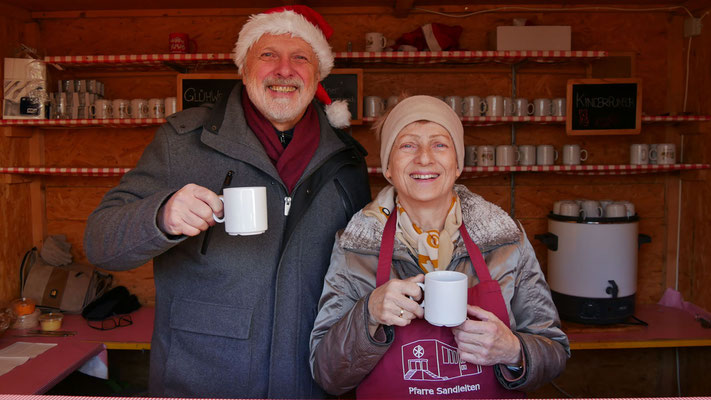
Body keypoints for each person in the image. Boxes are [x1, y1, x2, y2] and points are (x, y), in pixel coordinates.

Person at [83, 6, 370, 398]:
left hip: (309, 381)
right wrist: (162, 215)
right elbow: (100, 243)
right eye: (268, 54)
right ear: (244, 66)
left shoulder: (347, 161)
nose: (284, 70)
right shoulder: (182, 142)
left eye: (300, 57)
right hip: (202, 379)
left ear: (317, 74)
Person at [309, 95, 569, 398]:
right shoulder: (355, 248)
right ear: (388, 167)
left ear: (457, 165)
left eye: (439, 144)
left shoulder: (506, 240)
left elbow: (555, 352)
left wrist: (514, 351)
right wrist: (368, 314)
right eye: (407, 145)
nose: (424, 158)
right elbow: (327, 374)